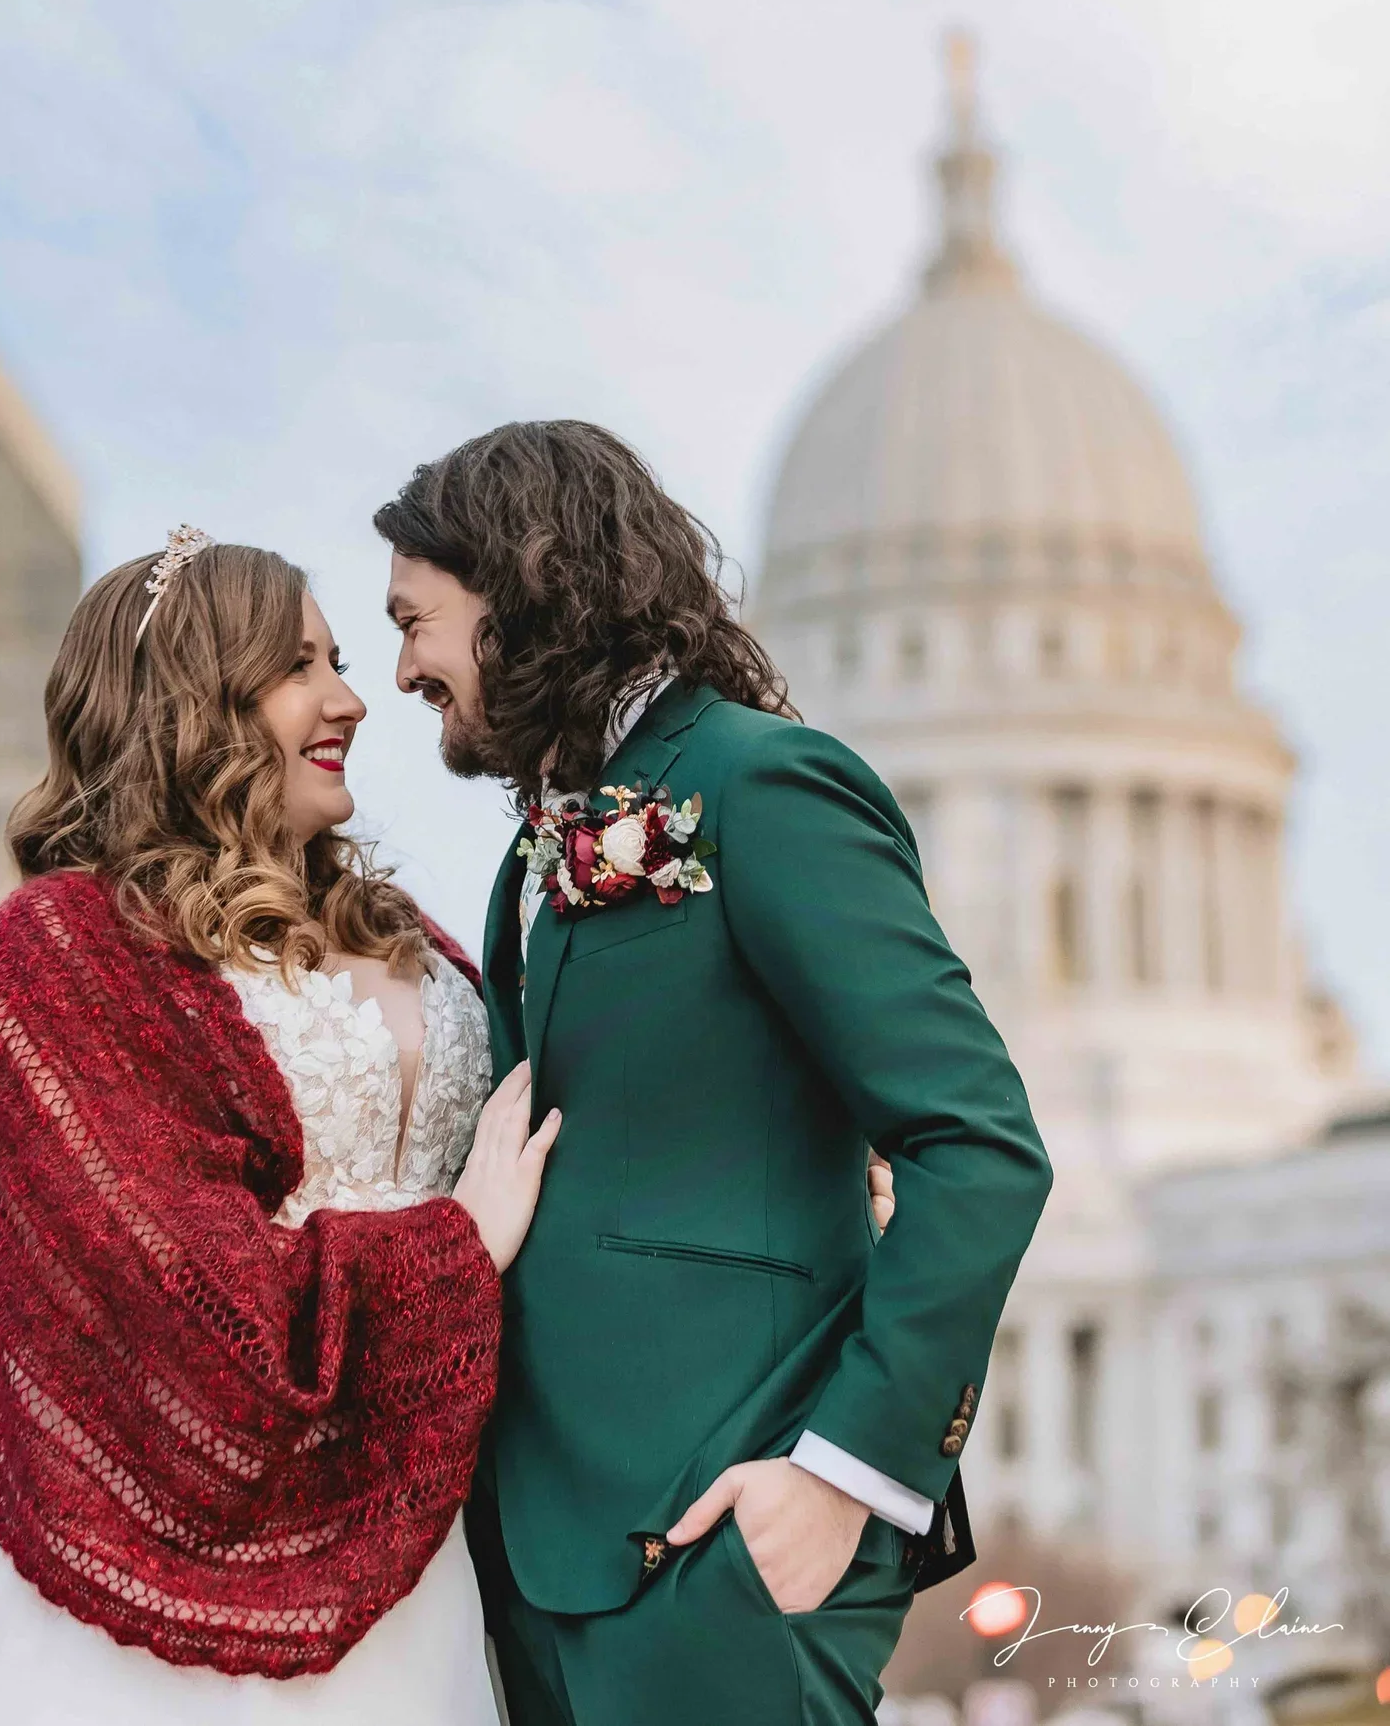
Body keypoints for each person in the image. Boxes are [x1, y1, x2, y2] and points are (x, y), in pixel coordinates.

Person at [375, 421, 1055, 1726]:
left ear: (519, 585)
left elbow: (979, 1145)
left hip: (722, 1550)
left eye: (418, 619)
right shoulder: (530, 858)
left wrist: (843, 1471)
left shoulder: (764, 787)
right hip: (531, 1568)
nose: (403, 665)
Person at [0, 533, 558, 1724]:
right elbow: (166, 1288)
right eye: (298, 666)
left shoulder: (409, 925)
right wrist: (455, 1247)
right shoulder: (61, 952)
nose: (353, 698)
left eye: (344, 658)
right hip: (148, 1555)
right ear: (191, 701)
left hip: (416, 1545)